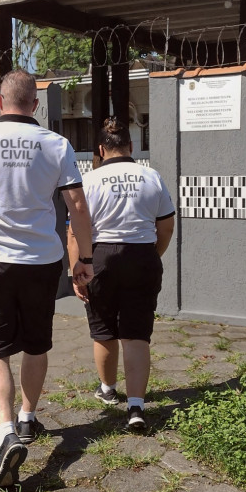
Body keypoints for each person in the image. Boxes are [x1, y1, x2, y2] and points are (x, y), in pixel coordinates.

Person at [0, 69, 94, 488]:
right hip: (42, 262)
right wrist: (86, 259)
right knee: (36, 344)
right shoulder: (56, 144)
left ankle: (6, 434)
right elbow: (77, 205)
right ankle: (27, 418)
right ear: (35, 105)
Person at [67, 116, 175, 429]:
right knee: (136, 334)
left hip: (100, 257)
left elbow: (75, 231)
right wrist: (152, 255)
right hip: (141, 255)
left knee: (103, 329)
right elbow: (165, 225)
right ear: (131, 146)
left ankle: (108, 390)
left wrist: (77, 268)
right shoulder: (151, 176)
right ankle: (137, 407)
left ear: (100, 150)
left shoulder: (88, 180)